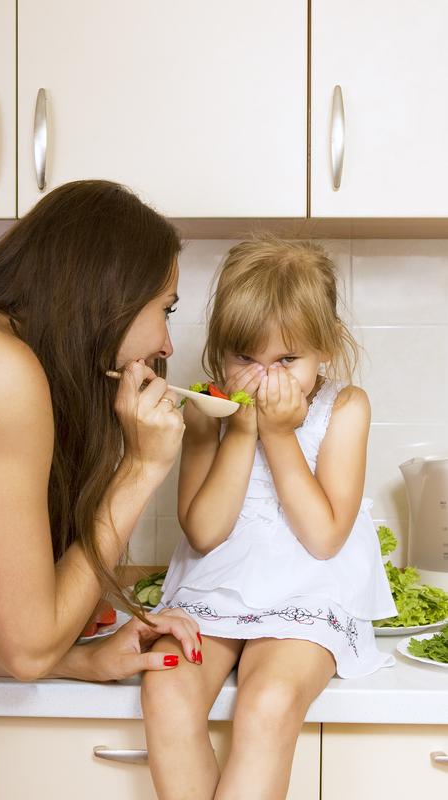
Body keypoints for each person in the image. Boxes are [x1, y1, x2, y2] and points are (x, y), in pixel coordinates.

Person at [0, 179, 203, 682]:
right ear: (109, 292)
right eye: (166, 309)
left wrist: (78, 659)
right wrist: (140, 468)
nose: (166, 346)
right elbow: (28, 651)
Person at [141, 236, 397, 800]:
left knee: (268, 701)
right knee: (165, 687)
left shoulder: (345, 409)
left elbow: (325, 537)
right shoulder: (209, 410)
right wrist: (241, 427)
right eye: (245, 359)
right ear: (219, 352)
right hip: (217, 584)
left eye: (286, 360)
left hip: (309, 590)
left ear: (324, 350)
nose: (263, 380)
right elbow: (205, 532)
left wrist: (280, 434)